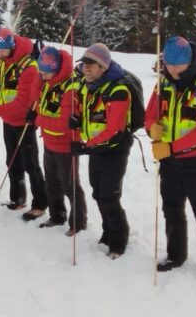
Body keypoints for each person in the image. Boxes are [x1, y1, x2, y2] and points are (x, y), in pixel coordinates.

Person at [146, 36, 196, 284]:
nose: (170, 69)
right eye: (167, 63)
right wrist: (151, 129)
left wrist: (170, 147)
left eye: (175, 64)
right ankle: (175, 255)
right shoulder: (164, 83)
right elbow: (150, 114)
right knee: (171, 209)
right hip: (169, 159)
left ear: (189, 62)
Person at [69, 43, 132, 259]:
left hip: (114, 150)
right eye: (84, 64)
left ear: (103, 66)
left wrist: (86, 146)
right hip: (96, 148)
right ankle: (107, 231)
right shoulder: (88, 86)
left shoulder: (118, 90)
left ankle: (119, 240)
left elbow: (114, 129)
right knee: (98, 192)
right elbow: (86, 110)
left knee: (109, 196)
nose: (86, 68)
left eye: (92, 64)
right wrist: (76, 118)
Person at [0, 27, 48, 221]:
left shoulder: (29, 67)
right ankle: (17, 198)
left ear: (12, 46)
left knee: (30, 163)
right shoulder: (1, 60)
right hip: (8, 120)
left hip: (24, 120)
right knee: (12, 160)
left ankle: (40, 203)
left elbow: (22, 103)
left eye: (3, 51)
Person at [26, 46, 87, 236]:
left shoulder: (70, 87)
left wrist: (36, 119)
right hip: (49, 142)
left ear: (57, 68)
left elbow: (63, 123)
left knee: (70, 185)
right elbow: (34, 96)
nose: (43, 76)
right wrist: (40, 75)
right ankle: (57, 215)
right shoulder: (48, 83)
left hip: (66, 144)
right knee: (51, 183)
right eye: (41, 72)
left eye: (46, 72)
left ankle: (79, 222)